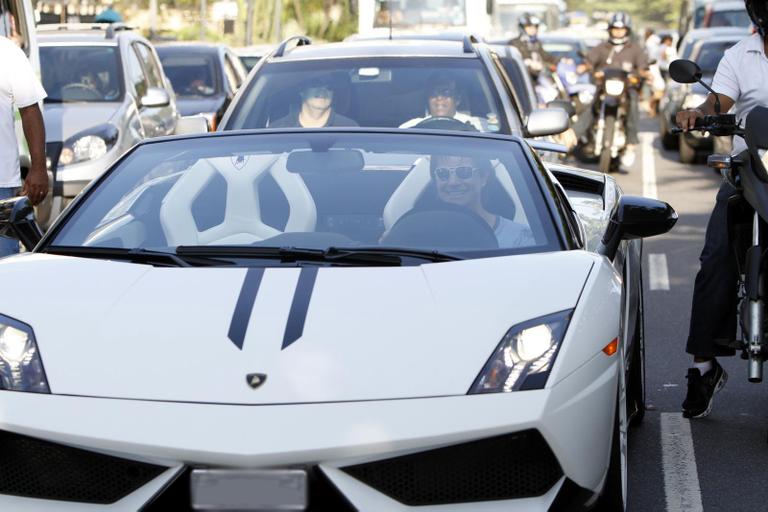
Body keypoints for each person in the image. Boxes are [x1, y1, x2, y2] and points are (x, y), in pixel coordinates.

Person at [674, 0, 768, 419]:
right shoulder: (739, 55)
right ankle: (704, 367)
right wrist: (697, 113)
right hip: (751, 172)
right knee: (715, 260)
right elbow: (720, 103)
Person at [572, 12, 650, 170]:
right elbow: (590, 61)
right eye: (615, 29)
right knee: (590, 105)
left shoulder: (635, 49)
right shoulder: (602, 47)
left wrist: (644, 74)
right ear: (610, 30)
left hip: (626, 91)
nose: (618, 32)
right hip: (604, 90)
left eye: (621, 29)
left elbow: (643, 67)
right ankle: (572, 137)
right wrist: (584, 67)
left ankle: (631, 144)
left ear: (627, 30)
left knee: (634, 104)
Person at [0, 36, 48, 256]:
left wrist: (38, 168)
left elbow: (30, 110)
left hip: (1, 184)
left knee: (5, 269)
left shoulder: (7, 52)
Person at [430, 154, 534, 247]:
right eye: (442, 173)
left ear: (484, 177)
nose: (453, 182)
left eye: (464, 172)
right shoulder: (420, 233)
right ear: (435, 180)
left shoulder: (519, 238)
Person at [400, 73, 483, 130]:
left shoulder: (478, 126)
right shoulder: (410, 128)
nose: (439, 97)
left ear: (457, 99)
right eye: (433, 93)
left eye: (446, 93)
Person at [270, 76, 357, 128]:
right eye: (316, 85)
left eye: (329, 87)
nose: (323, 91)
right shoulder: (277, 129)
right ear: (302, 90)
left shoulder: (349, 128)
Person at [509, 14, 558, 85]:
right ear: (522, 28)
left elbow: (546, 57)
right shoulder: (515, 43)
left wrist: (561, 60)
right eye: (529, 27)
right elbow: (518, 61)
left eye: (535, 27)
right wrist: (531, 64)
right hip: (525, 81)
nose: (533, 29)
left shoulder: (536, 43)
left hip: (541, 77)